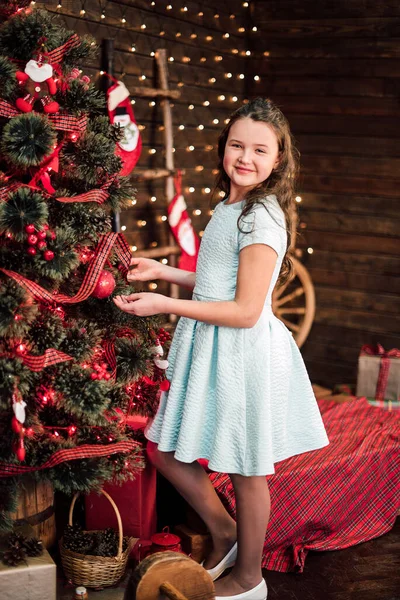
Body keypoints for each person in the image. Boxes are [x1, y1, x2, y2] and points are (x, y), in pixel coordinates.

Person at [114, 97, 329, 600]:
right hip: (212, 345)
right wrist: (165, 271)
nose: (245, 158)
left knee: (246, 467)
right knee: (164, 450)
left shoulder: (261, 218)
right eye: (237, 145)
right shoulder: (232, 206)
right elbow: (218, 282)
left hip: (242, 353)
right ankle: (226, 532)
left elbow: (245, 310)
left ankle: (250, 577)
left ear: (278, 160)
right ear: (223, 149)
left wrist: (165, 304)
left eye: (259, 150)